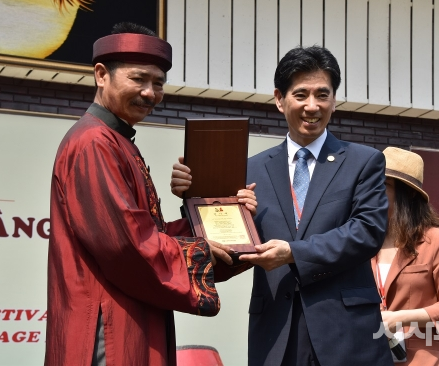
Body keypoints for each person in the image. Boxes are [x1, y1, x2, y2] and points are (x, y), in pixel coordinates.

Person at [45, 22, 256, 366]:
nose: (150, 93)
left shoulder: (118, 142)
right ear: (101, 75)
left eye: (158, 83)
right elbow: (126, 245)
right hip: (108, 326)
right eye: (138, 79)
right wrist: (201, 250)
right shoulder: (94, 143)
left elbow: (147, 234)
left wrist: (224, 218)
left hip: (131, 313)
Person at [172, 46, 393, 366]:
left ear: (334, 100)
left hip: (345, 335)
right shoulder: (250, 169)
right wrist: (194, 197)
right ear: (279, 99)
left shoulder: (364, 161)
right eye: (301, 95)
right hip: (276, 332)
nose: (312, 106)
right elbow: (227, 247)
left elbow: (367, 232)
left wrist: (293, 253)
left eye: (322, 95)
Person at [373, 147, 439, 365]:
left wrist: (401, 318)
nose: (373, 192)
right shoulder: (364, 243)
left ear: (408, 193)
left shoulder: (438, 240)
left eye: (384, 185)